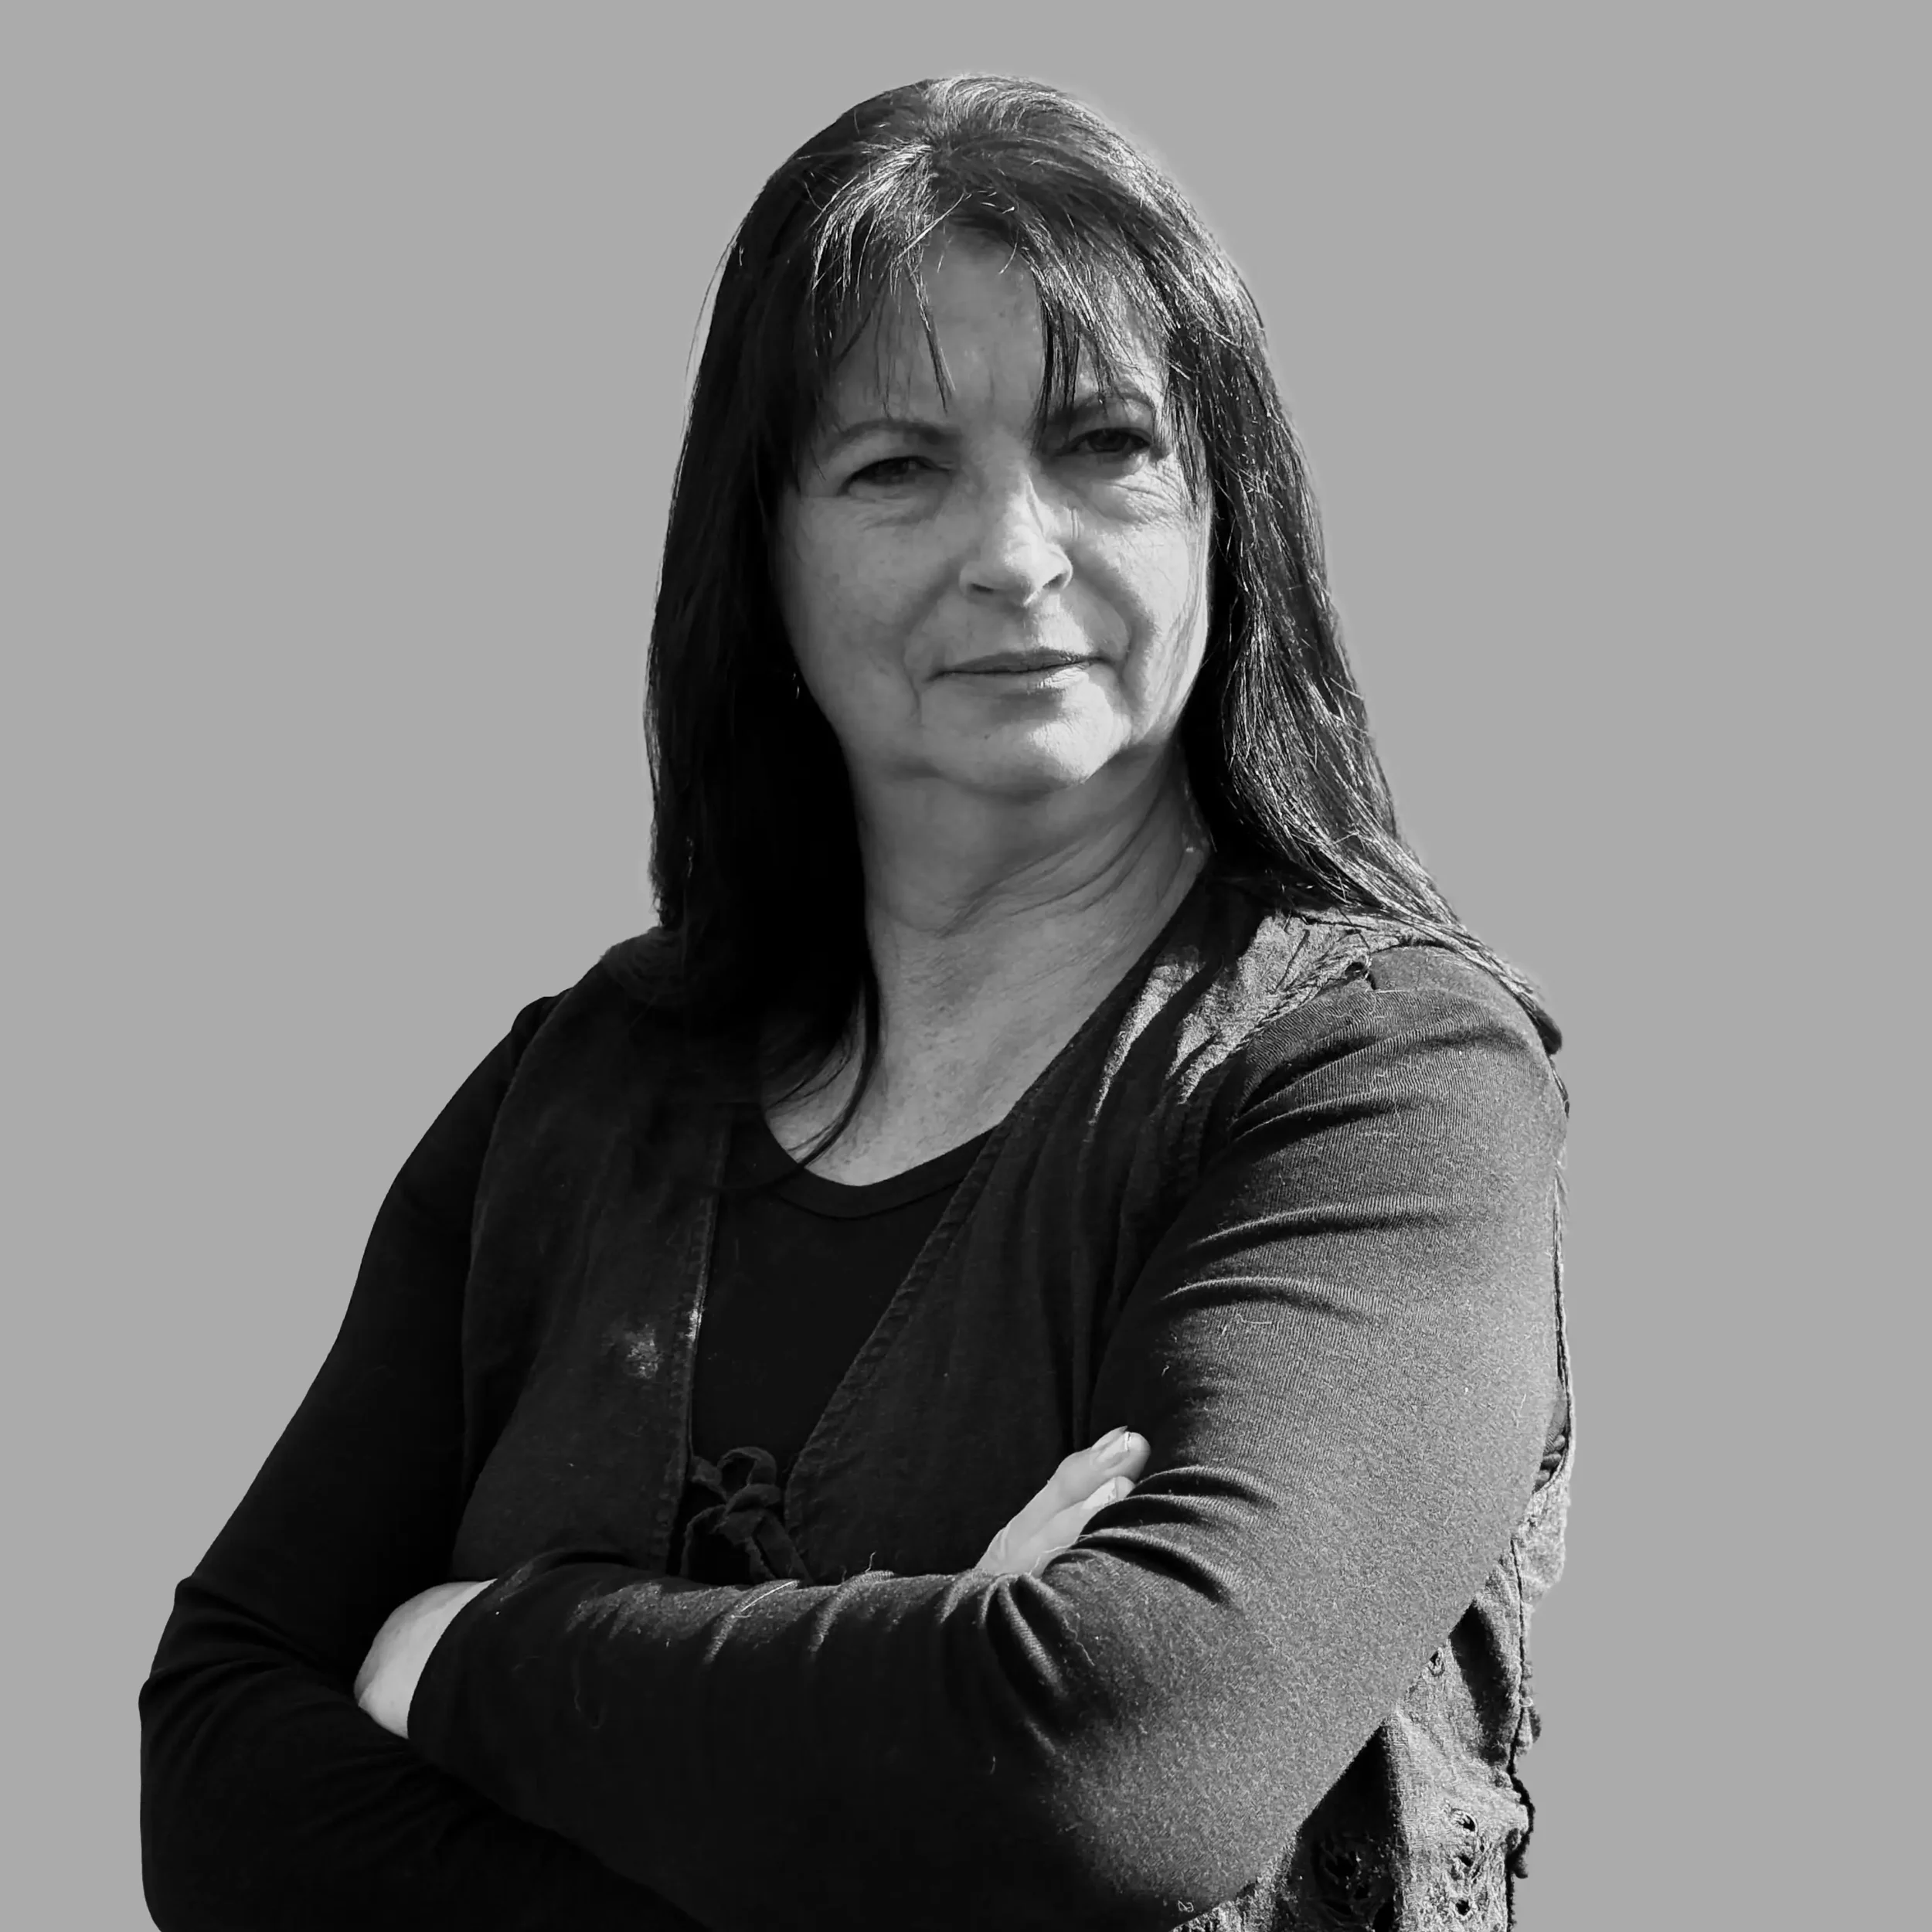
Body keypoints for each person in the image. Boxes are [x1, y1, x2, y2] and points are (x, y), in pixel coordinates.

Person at [139, 74, 1573, 1932]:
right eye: (897, 464)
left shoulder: (1381, 1084)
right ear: (764, 558)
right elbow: (212, 1784)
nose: (1013, 548)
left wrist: (464, 1652)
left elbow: (1106, 1760)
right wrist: (915, 1702)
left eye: (1104, 442)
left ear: (1230, 514)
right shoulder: (572, 1098)